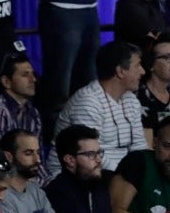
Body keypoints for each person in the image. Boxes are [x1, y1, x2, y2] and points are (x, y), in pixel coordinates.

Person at [52, 44, 148, 178]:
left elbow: (139, 145)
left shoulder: (131, 100)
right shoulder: (88, 102)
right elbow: (89, 155)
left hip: (118, 175)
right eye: (137, 66)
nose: (143, 71)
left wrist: (144, 172)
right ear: (120, 71)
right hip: (77, 175)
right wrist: (127, 176)